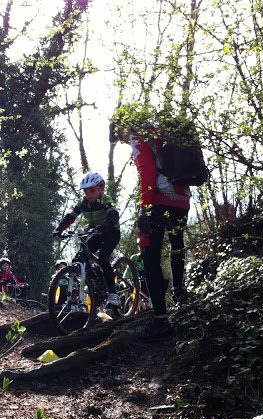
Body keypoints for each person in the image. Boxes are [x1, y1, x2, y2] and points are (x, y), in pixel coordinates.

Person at [110, 109, 190, 336]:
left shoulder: (139, 140)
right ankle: (179, 292)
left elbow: (148, 172)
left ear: (124, 127)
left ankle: (161, 320)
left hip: (159, 201)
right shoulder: (160, 135)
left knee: (150, 256)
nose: (124, 142)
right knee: (177, 244)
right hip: (182, 200)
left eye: (121, 137)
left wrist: (144, 208)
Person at [52, 172, 121, 307]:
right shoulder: (83, 202)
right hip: (95, 232)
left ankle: (113, 294)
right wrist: (58, 230)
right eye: (85, 191)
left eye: (92, 190)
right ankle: (92, 287)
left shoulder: (105, 200)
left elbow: (113, 215)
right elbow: (71, 217)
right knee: (80, 257)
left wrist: (105, 226)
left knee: (103, 258)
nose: (88, 194)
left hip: (111, 232)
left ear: (101, 188)